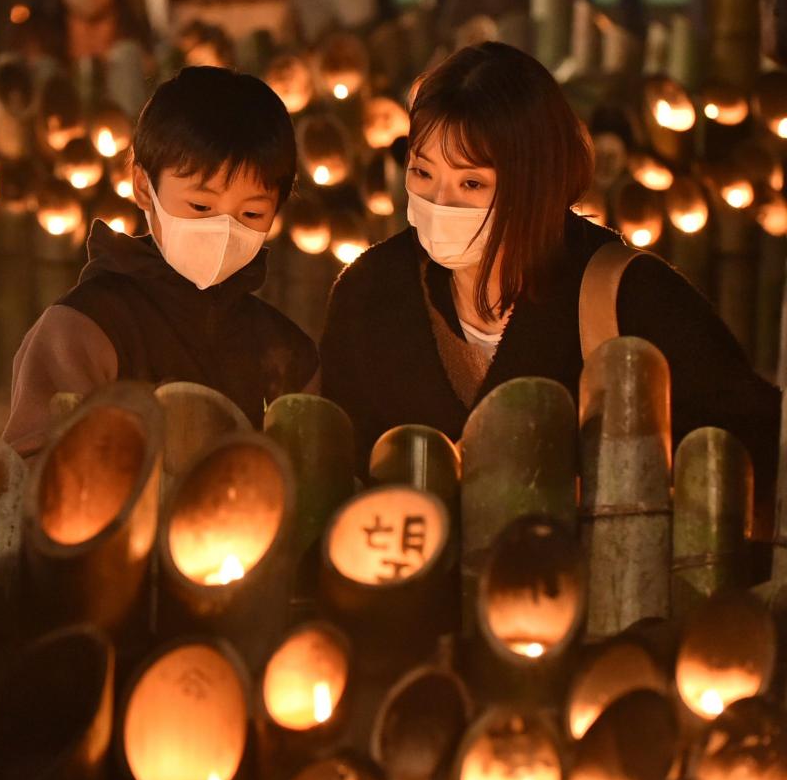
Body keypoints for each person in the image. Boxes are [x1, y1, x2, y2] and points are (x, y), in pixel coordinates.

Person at [320, 42, 779, 516]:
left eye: (472, 183)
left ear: (534, 182)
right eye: (422, 172)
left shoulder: (629, 295)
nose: (440, 202)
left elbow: (751, 447)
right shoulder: (371, 292)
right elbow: (334, 471)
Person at [3, 65, 319, 456]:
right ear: (142, 186)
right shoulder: (84, 330)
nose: (222, 230)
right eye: (201, 205)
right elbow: (32, 481)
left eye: (251, 215)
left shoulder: (287, 351)